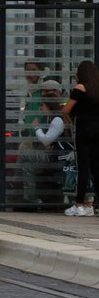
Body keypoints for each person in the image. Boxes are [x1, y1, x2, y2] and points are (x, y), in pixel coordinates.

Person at [61, 61, 99, 217]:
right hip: (98, 131)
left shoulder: (79, 88)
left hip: (83, 131)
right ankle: (94, 204)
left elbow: (66, 109)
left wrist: (71, 122)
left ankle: (79, 204)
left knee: (83, 167)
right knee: (97, 168)